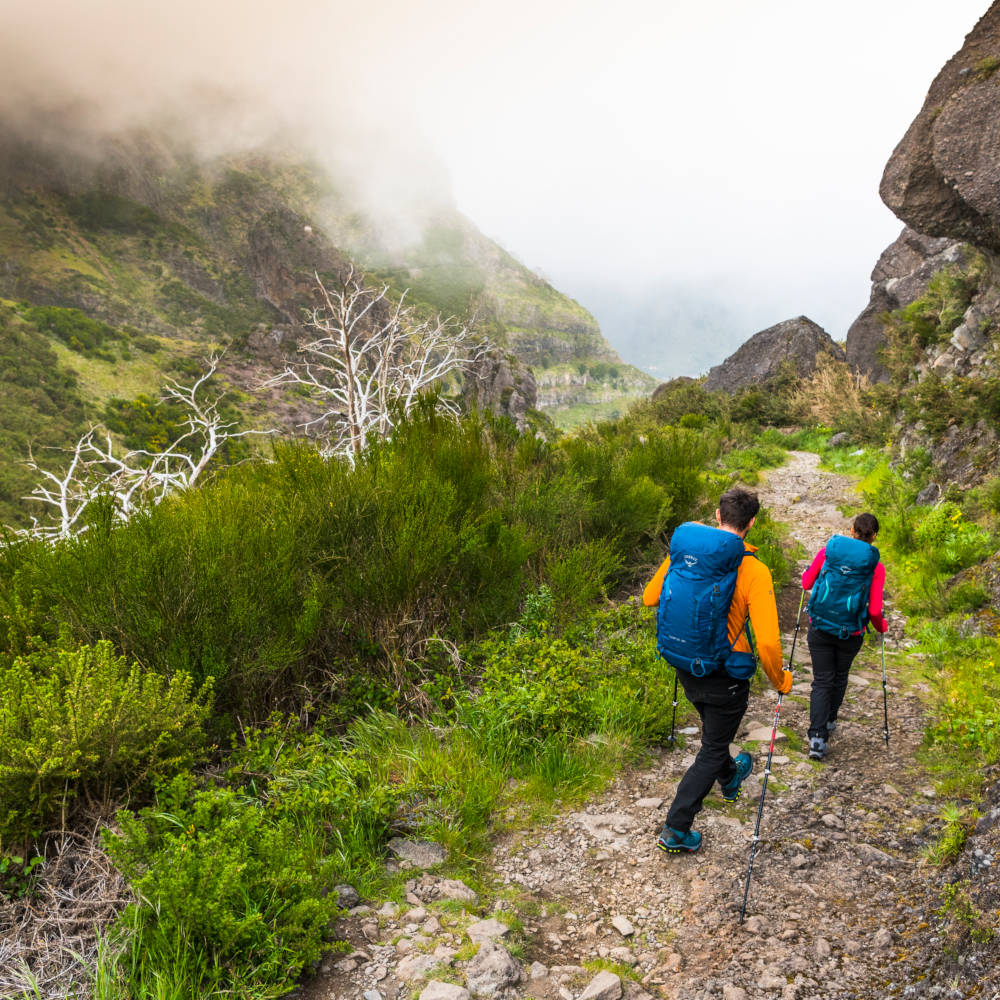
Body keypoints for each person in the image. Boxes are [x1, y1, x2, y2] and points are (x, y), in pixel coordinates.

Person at [643, 487, 792, 855]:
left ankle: (730, 776)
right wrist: (781, 680)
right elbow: (770, 644)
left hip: (685, 666)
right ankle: (676, 828)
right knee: (712, 747)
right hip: (725, 676)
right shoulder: (754, 570)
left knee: (715, 738)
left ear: (717, 515)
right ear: (752, 522)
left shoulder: (687, 553)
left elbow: (650, 597)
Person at [801, 512, 888, 761]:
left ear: (852, 530)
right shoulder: (876, 566)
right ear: (874, 536)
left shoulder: (829, 551)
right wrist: (881, 627)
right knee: (839, 677)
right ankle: (829, 722)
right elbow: (873, 610)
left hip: (819, 627)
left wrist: (805, 575)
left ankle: (817, 738)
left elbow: (807, 583)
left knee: (821, 681)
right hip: (851, 632)